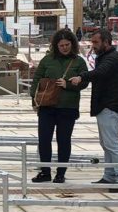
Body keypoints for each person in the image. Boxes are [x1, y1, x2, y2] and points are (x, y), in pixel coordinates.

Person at [69, 30, 118, 190]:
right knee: (106, 143)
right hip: (105, 105)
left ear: (106, 42)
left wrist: (81, 76)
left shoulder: (112, 58)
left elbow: (100, 73)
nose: (92, 46)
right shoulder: (105, 57)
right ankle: (109, 176)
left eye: (95, 42)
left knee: (112, 144)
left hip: (110, 106)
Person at [30, 29, 88, 184]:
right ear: (56, 46)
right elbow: (36, 78)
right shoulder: (47, 60)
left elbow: (84, 81)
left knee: (63, 140)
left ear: (72, 44)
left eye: (67, 44)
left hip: (67, 107)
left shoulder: (79, 62)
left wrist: (68, 84)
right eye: (61, 45)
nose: (64, 47)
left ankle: (61, 173)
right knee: (44, 140)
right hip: (47, 106)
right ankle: (45, 171)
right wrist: (34, 99)